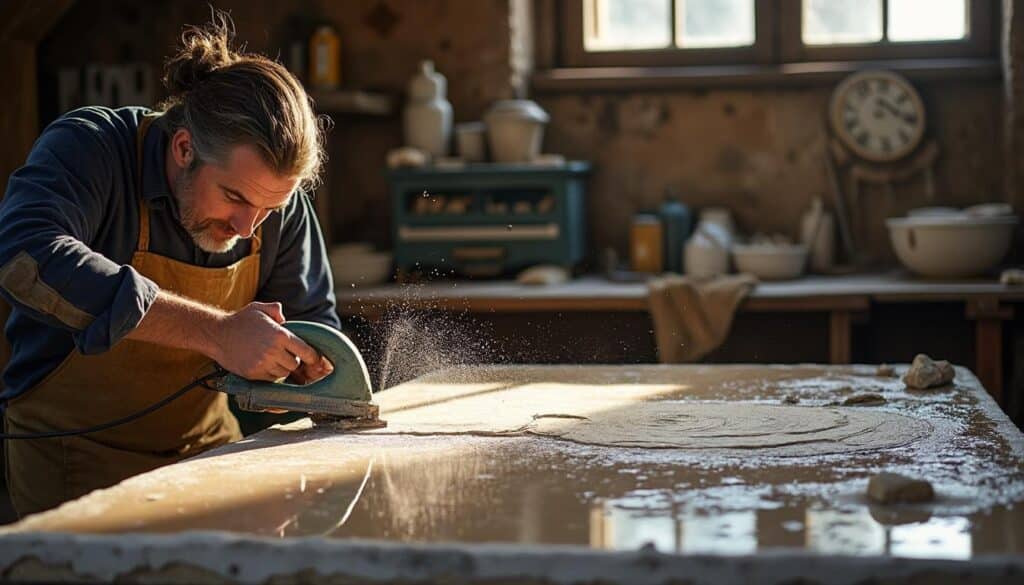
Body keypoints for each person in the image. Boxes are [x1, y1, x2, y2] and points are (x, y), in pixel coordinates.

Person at [0, 12, 338, 516]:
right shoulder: (91, 148)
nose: (248, 226)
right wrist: (218, 333)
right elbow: (24, 255)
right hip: (72, 456)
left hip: (205, 450)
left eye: (268, 208)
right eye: (234, 197)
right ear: (184, 148)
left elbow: (314, 329)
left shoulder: (272, 202)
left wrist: (296, 369)